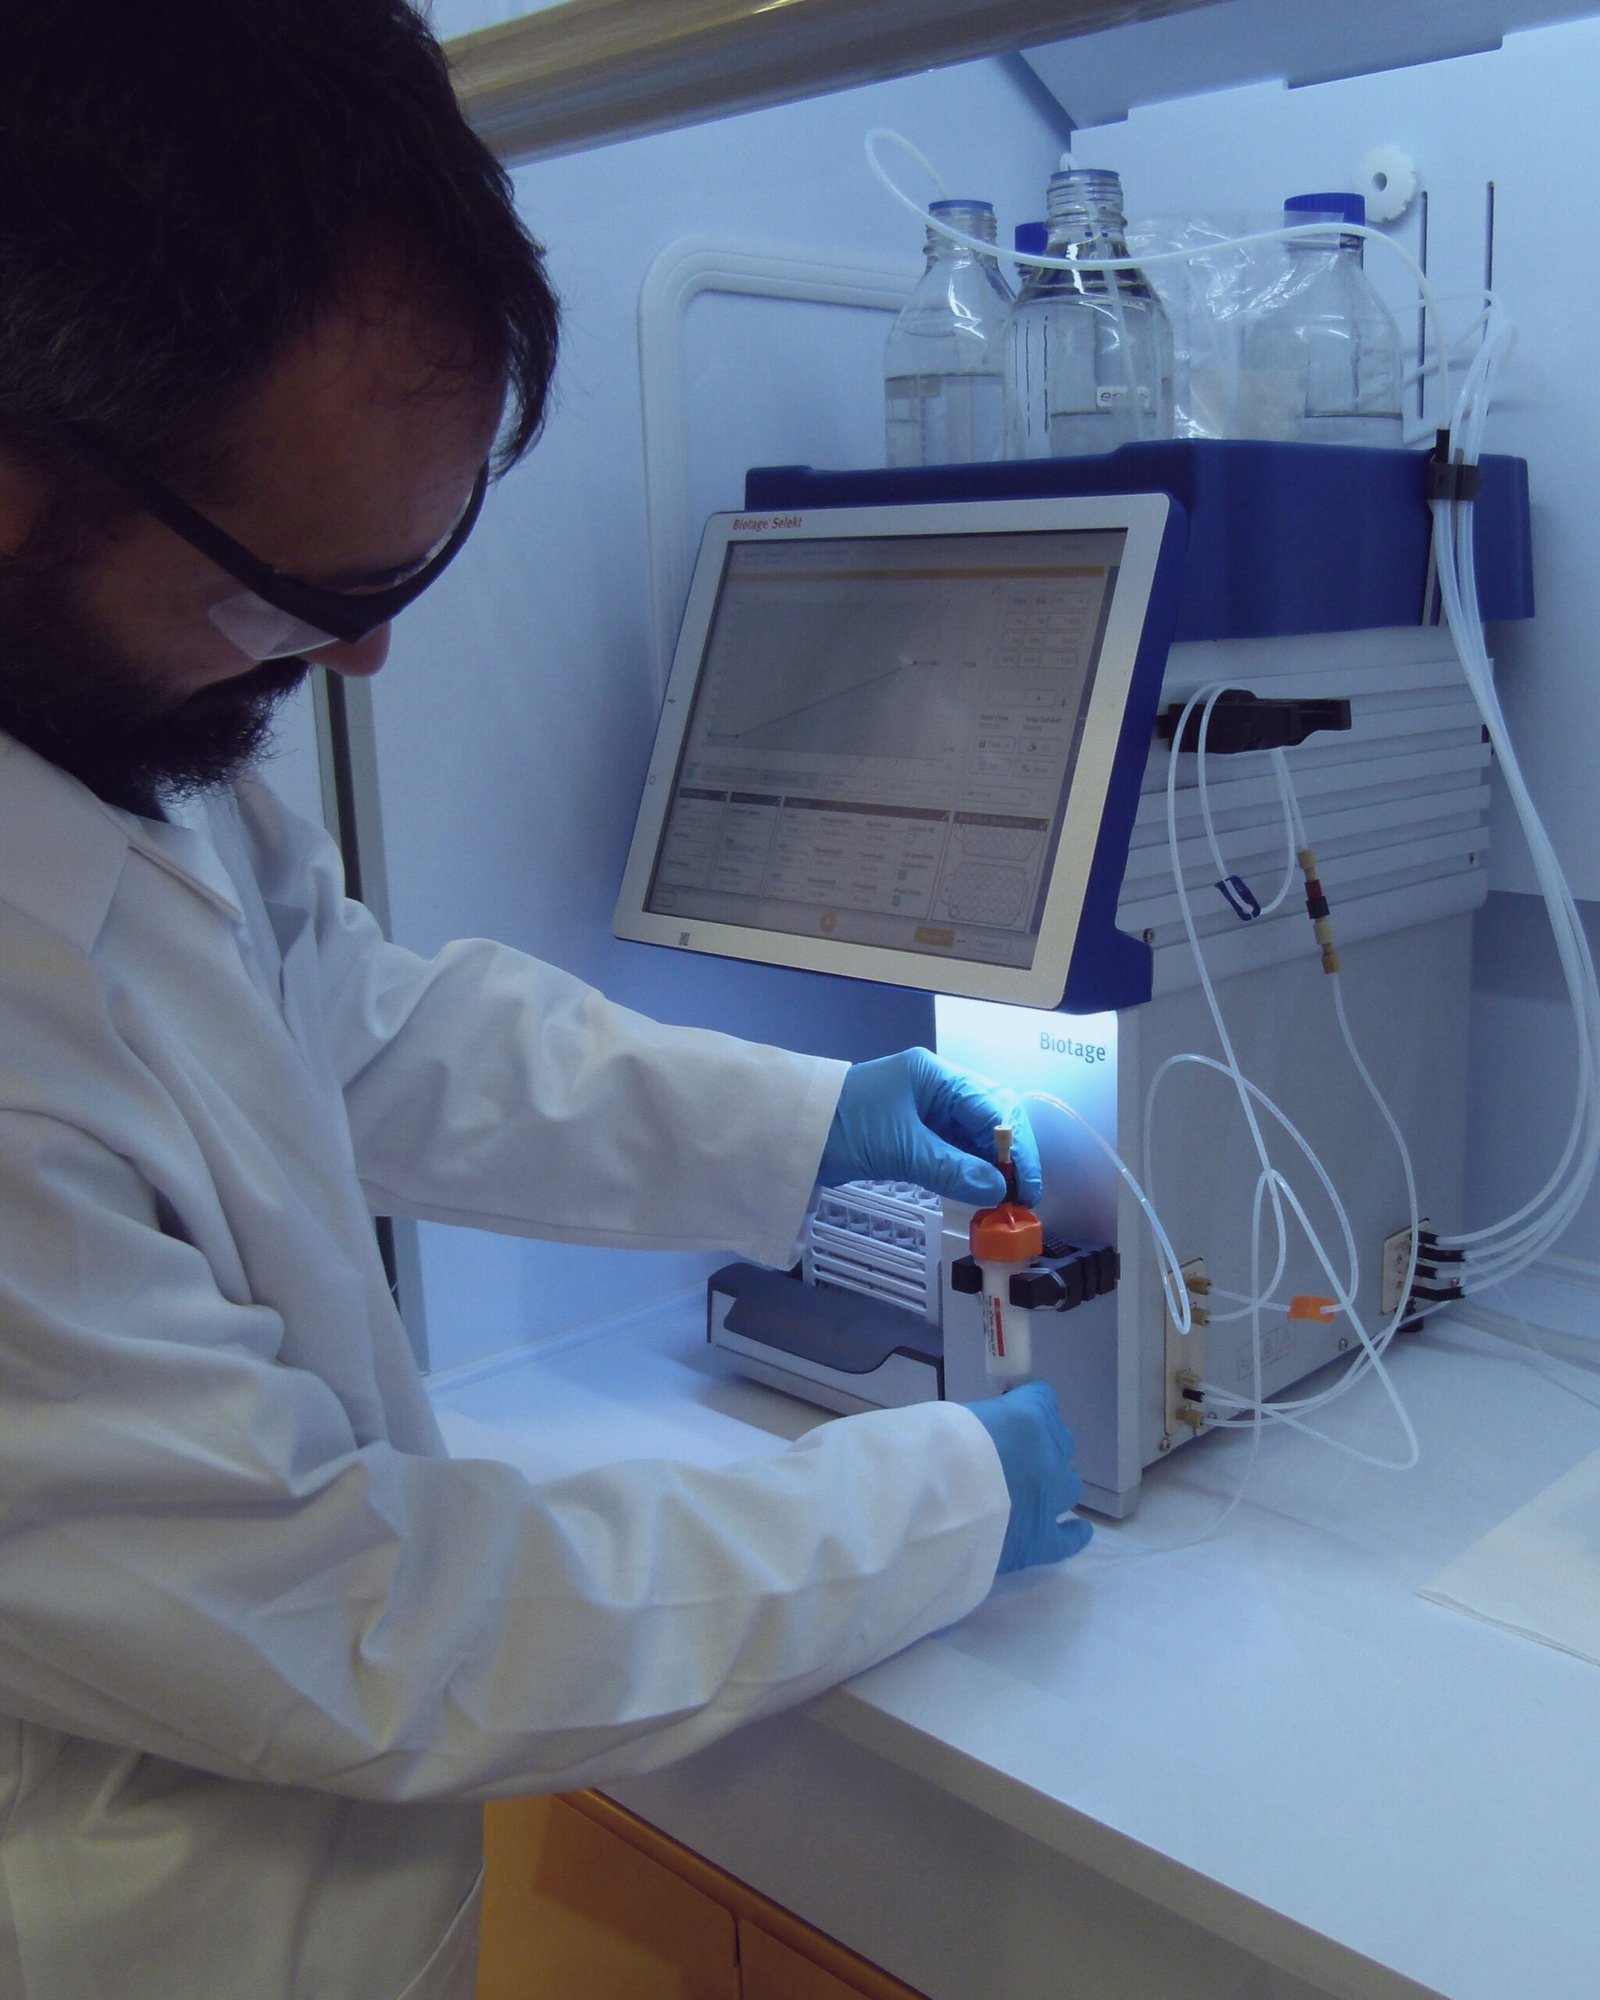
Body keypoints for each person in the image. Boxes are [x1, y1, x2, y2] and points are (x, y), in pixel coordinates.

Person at [0, 4, 1091, 1995]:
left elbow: (340, 1022)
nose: (366, 661)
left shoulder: (96, 702)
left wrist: (796, 1124)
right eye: (314, 592)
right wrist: (930, 1502)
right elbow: (355, 1621)